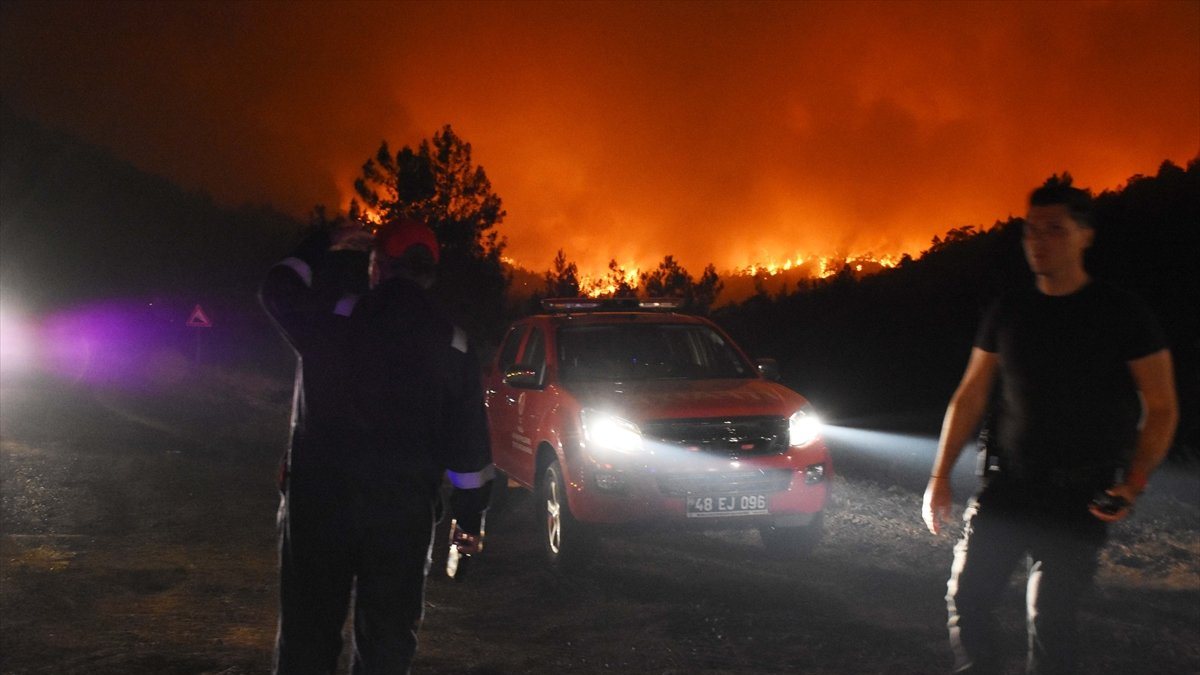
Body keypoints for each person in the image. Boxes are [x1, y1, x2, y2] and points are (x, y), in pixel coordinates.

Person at [921, 179, 1178, 675]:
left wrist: (1133, 482)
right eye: (1031, 230)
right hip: (1009, 485)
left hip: (1080, 495)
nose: (1039, 241)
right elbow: (970, 394)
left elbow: (1163, 406)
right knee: (968, 598)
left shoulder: (1122, 313)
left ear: (1085, 235)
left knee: (1051, 618)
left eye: (1055, 230)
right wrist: (939, 477)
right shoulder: (1009, 310)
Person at [261, 218, 493, 675]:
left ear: (376, 268)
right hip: (401, 519)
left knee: (307, 636)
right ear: (428, 275)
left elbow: (277, 288)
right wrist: (469, 520)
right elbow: (469, 456)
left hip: (318, 511)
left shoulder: (331, 321)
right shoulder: (455, 346)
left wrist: (323, 241)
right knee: (387, 643)